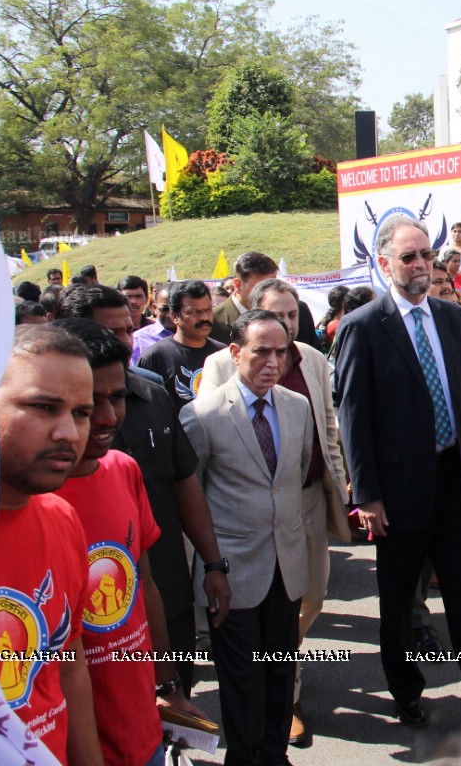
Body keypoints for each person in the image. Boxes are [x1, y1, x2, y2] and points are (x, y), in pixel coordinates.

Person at [335, 215, 461, 732]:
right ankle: (407, 695)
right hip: (395, 492)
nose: (421, 264)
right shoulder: (362, 328)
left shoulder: (449, 316)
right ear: (384, 263)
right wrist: (367, 496)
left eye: (425, 255)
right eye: (409, 257)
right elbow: (354, 418)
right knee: (399, 603)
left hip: (451, 479)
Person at [198, 279, 352, 744]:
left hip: (300, 513)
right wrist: (207, 560)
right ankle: (269, 723)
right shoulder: (212, 389)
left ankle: (281, 696)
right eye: (274, 320)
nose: (274, 358)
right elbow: (199, 475)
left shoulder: (306, 378)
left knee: (300, 614)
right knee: (249, 655)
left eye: (291, 320)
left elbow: (326, 428)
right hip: (239, 541)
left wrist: (339, 487)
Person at [50, 319, 206, 766]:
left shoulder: (123, 470)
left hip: (141, 730)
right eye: (83, 404)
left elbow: (143, 587)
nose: (104, 418)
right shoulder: (24, 503)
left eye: (115, 398)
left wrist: (167, 685)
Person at [180, 310, 314, 765]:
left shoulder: (297, 407)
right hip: (231, 573)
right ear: (235, 352)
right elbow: (190, 495)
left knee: (279, 675)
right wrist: (207, 567)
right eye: (261, 351)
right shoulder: (202, 414)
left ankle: (275, 757)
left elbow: (291, 478)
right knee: (242, 681)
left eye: (281, 353)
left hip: (287, 567)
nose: (273, 362)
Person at [0, 326, 104, 766]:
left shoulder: (61, 517)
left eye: (81, 413)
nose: (69, 433)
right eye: (43, 407)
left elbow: (68, 662)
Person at [137, 280, 226, 413]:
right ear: (174, 316)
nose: (204, 317)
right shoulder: (155, 357)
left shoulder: (223, 354)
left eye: (208, 310)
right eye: (194, 312)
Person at [210, 251, 279, 343]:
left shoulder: (288, 312)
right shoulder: (213, 321)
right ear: (238, 285)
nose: (269, 293)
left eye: (273, 285)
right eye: (260, 288)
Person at [131, 283, 175, 364]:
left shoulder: (193, 336)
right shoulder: (139, 339)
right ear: (154, 308)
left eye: (174, 309)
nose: (170, 314)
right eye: (164, 309)